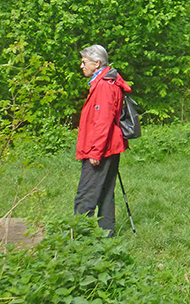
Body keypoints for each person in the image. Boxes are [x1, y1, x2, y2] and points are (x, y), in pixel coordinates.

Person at [75, 45, 129, 236]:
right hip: (110, 146)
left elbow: (103, 121)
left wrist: (95, 152)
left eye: (84, 62)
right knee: (105, 193)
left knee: (86, 195)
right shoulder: (105, 82)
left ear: (97, 63)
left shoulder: (105, 85)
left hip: (101, 148)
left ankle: (79, 241)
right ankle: (107, 237)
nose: (81, 66)